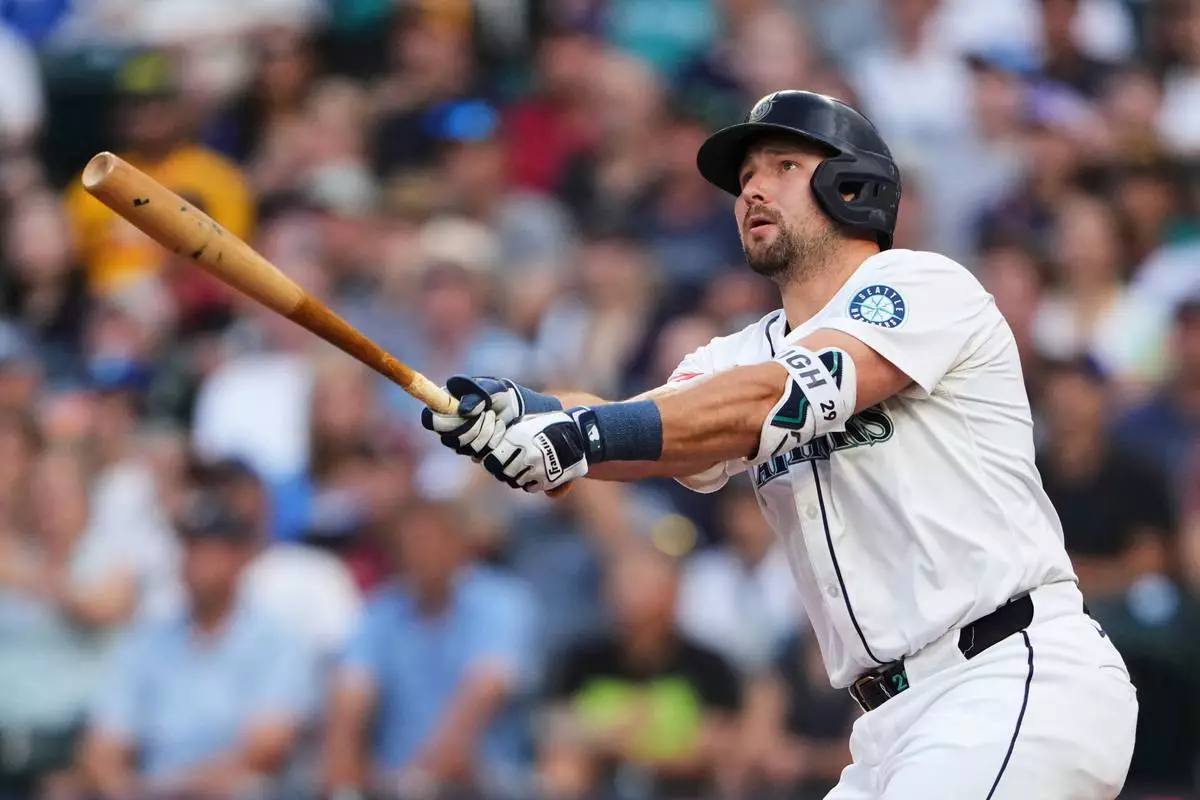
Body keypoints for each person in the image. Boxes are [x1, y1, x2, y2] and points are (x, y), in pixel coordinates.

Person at [421, 90, 1139, 798]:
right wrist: (525, 414)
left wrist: (581, 434)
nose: (752, 191)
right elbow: (649, 424)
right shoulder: (737, 354)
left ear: (852, 185)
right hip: (889, 724)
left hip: (1007, 676)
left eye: (783, 166)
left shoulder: (920, 285)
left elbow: (778, 394)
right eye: (745, 178)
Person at [80, 491, 319, 799]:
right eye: (188, 546)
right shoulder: (148, 639)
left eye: (208, 547)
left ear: (240, 558)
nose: (193, 559)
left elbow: (264, 751)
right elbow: (104, 744)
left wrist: (161, 790)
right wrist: (124, 790)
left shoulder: (277, 640)